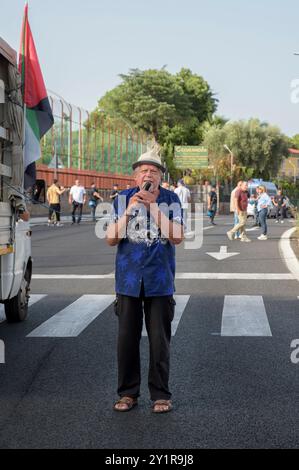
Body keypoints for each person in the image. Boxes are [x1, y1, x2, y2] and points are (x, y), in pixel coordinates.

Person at [106, 149, 184, 414]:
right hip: (128, 281)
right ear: (135, 175)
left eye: (153, 170)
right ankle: (128, 393)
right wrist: (130, 210)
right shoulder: (122, 199)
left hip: (159, 280)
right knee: (126, 339)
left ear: (161, 176)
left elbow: (177, 236)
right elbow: (111, 238)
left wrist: (152, 206)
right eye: (143, 170)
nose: (148, 174)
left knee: (159, 341)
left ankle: (161, 395)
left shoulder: (171, 199)